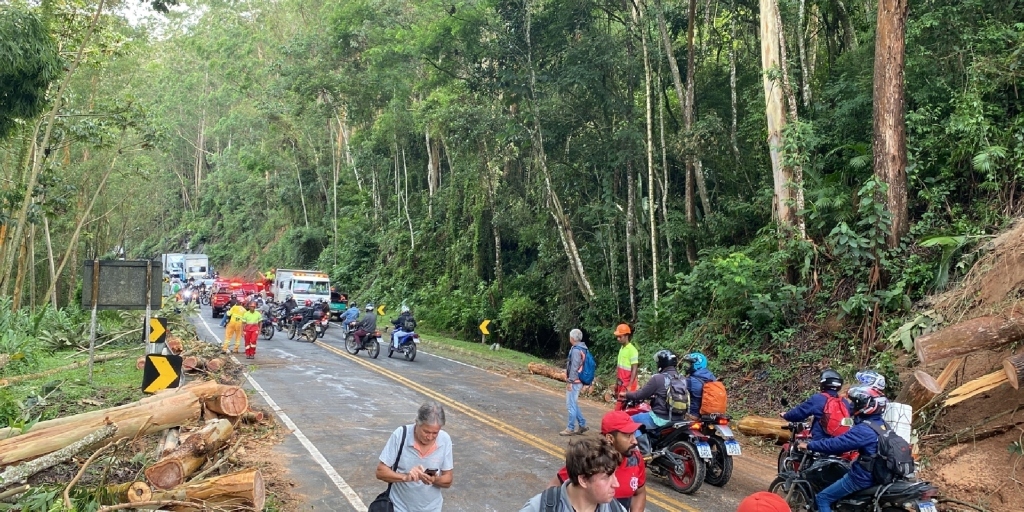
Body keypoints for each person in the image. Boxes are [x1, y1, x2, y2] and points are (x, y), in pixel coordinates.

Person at [797, 386, 888, 512]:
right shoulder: (882, 424)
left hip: (864, 477)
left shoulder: (864, 429)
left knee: (823, 498)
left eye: (854, 402)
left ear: (863, 405)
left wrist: (810, 445)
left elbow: (836, 445)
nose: (851, 406)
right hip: (882, 473)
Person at [550, 411, 646, 512]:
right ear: (610, 438)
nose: (635, 441)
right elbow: (552, 491)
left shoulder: (636, 459)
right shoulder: (589, 459)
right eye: (628, 436)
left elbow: (639, 493)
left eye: (634, 434)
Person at [376, 401, 454, 512]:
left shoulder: (445, 440)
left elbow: (448, 479)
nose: (430, 437)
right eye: (426, 432)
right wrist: (406, 477)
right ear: (417, 423)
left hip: (432, 508)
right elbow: (381, 472)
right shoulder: (400, 435)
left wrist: (434, 479)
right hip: (399, 507)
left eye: (435, 433)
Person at [520, 436, 626, 512]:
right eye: (607, 477)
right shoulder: (540, 507)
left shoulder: (616, 509)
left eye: (614, 475)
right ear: (583, 480)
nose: (616, 484)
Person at [623, 350, 685, 454]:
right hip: (679, 418)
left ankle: (644, 451)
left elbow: (640, 395)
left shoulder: (658, 378)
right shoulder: (683, 379)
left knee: (630, 421)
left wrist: (626, 394)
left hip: (660, 418)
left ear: (662, 363)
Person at [781, 369, 853, 440]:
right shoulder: (844, 402)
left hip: (820, 442)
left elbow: (799, 412)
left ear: (823, 383)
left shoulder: (818, 398)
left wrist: (786, 415)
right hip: (841, 442)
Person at [560, 329, 589, 436]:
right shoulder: (583, 348)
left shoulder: (576, 350)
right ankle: (582, 424)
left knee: (570, 404)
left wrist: (570, 381)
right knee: (573, 403)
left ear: (572, 338)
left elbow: (574, 367)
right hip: (579, 380)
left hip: (575, 381)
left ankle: (570, 428)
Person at [682, 352, 716, 417]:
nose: (687, 366)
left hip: (694, 415)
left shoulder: (690, 380)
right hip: (712, 415)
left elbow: (678, 390)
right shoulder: (712, 378)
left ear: (696, 364)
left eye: (690, 364)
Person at [614, 324, 639, 395]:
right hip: (621, 383)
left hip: (627, 384)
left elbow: (634, 369)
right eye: (617, 337)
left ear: (626, 336)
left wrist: (630, 385)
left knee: (621, 405)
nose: (618, 339)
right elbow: (618, 368)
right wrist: (616, 384)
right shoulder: (621, 349)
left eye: (620, 337)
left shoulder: (632, 350)